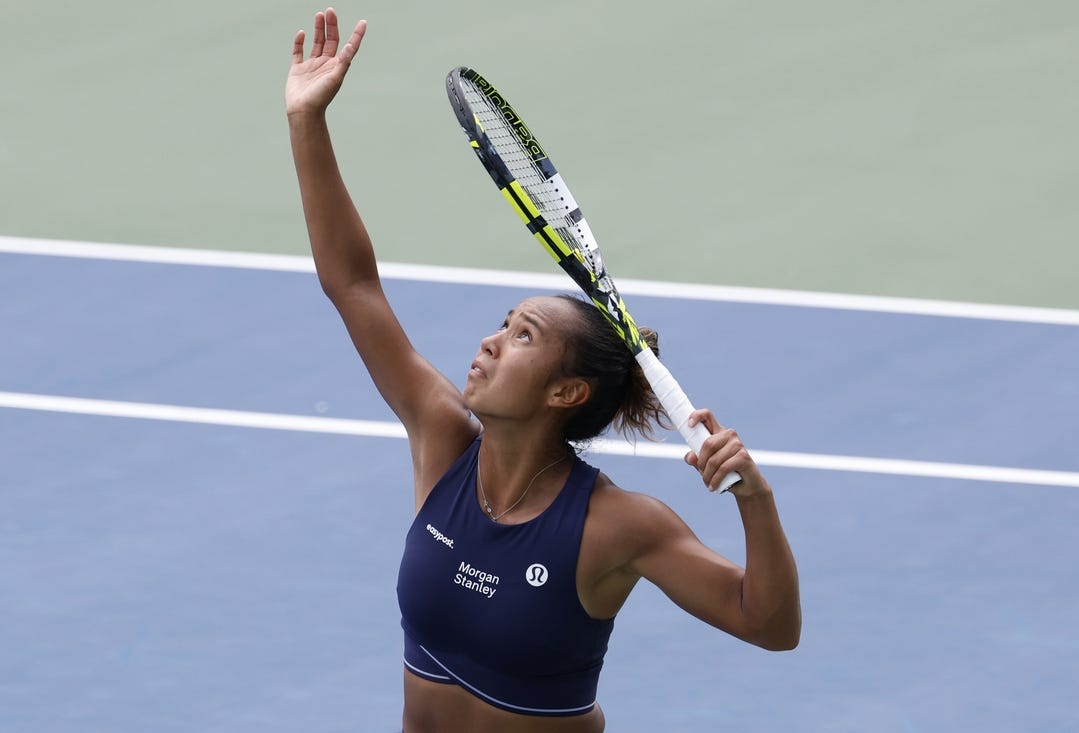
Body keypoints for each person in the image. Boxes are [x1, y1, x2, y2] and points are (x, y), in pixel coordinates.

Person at [286, 8, 800, 732]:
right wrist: (307, 122)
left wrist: (756, 499)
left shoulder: (616, 525)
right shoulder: (443, 441)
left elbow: (768, 623)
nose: (491, 341)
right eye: (503, 323)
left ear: (567, 390)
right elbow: (354, 285)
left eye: (522, 334)